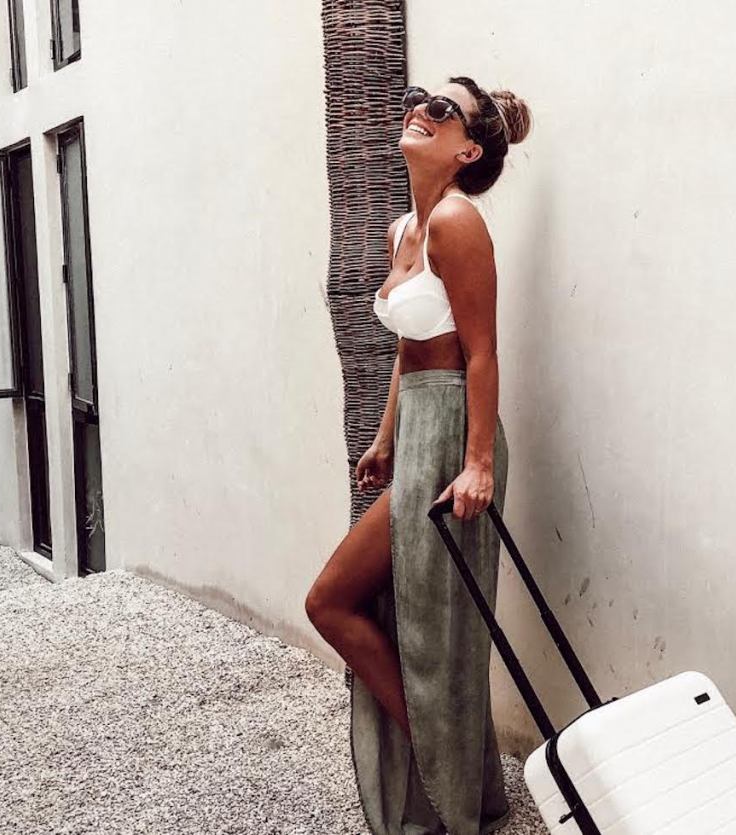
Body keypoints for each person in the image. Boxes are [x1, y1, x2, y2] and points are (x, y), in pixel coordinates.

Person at [305, 77, 533, 834]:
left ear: (468, 148)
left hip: (456, 435)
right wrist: (382, 438)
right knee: (393, 615)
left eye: (444, 109)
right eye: (418, 95)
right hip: (420, 433)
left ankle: (440, 769)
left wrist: (478, 464)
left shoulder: (460, 221)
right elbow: (410, 351)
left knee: (358, 608)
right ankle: (453, 770)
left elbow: (482, 352)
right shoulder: (408, 226)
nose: (421, 108)